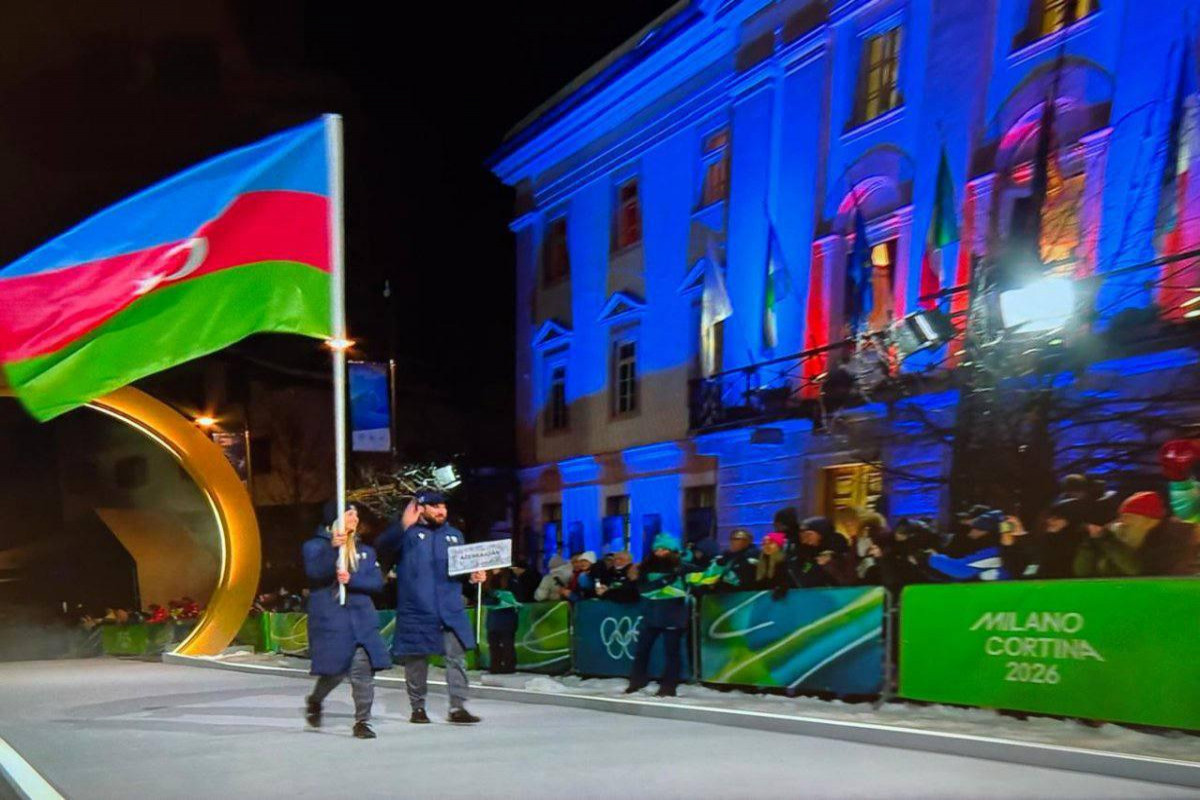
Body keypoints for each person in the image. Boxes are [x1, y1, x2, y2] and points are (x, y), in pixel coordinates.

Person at [375, 489, 486, 725]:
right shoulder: (406, 534)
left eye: (443, 506)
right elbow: (382, 547)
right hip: (417, 608)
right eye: (435, 506)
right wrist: (403, 525)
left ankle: (457, 707)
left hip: (450, 608)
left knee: (456, 658)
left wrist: (472, 576)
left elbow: (461, 570)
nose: (441, 511)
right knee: (417, 660)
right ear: (420, 508)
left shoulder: (454, 535)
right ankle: (418, 707)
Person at [302, 500, 390, 739]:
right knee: (335, 671)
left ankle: (362, 721)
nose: (354, 518)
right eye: (349, 513)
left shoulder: (366, 551)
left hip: (361, 618)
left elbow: (376, 583)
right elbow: (315, 573)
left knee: (362, 670)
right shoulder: (315, 546)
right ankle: (315, 700)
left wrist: (352, 580)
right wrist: (333, 550)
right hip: (332, 618)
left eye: (356, 514)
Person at [625, 533, 703, 697]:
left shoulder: (686, 568)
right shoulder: (646, 568)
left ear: (673, 550)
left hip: (674, 615)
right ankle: (637, 681)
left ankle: (669, 686)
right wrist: (668, 579)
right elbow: (644, 589)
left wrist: (717, 567)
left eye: (664, 549)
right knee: (642, 650)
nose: (659, 553)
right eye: (657, 550)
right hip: (651, 614)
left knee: (672, 653)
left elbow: (704, 581)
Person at [1074, 491, 1198, 577]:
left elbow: (1138, 570)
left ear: (1149, 521)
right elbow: (1082, 572)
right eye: (1122, 517)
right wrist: (1090, 544)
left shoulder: (1174, 542)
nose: (1123, 523)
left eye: (1129, 517)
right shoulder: (1114, 539)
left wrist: (1107, 540)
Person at [482, 570, 520, 674]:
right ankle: (500, 666)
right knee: (499, 644)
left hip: (502, 618)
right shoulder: (487, 577)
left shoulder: (509, 578)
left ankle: (503, 666)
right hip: (499, 618)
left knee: (503, 644)